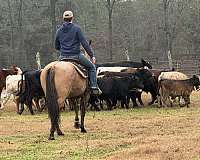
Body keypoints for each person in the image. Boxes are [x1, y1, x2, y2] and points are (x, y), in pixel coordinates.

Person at [55, 10, 101, 95]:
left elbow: (56, 46)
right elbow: (84, 43)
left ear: (63, 19)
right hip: (76, 56)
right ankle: (94, 87)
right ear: (72, 18)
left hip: (62, 57)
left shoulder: (59, 31)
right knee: (92, 68)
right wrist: (92, 55)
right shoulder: (77, 29)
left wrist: (64, 50)